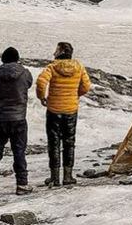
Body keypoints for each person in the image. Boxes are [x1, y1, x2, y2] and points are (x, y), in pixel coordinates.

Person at [36, 42, 91, 187]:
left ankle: (54, 178)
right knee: (69, 143)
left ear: (60, 52)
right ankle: (68, 176)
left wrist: (42, 97)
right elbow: (86, 86)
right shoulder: (78, 66)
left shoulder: (52, 67)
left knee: (53, 143)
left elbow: (41, 82)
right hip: (71, 110)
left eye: (56, 50)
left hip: (54, 109)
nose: (54, 52)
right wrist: (75, 95)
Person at [0, 47, 34, 197]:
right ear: (17, 58)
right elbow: (28, 84)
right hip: (19, 119)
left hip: (0, 119)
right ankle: (22, 184)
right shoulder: (25, 73)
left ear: (2, 59)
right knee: (19, 152)